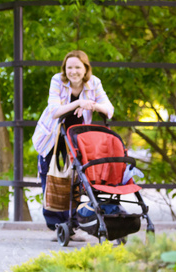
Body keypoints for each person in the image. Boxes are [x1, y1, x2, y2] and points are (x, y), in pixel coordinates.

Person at [32, 50, 114, 231]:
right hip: (52, 135)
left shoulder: (94, 83)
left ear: (85, 69)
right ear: (64, 69)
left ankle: (72, 222)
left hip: (76, 137)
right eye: (69, 67)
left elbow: (109, 110)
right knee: (50, 176)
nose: (73, 71)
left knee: (76, 179)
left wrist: (91, 104)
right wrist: (78, 103)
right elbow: (54, 110)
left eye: (78, 67)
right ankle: (56, 225)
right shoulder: (57, 81)